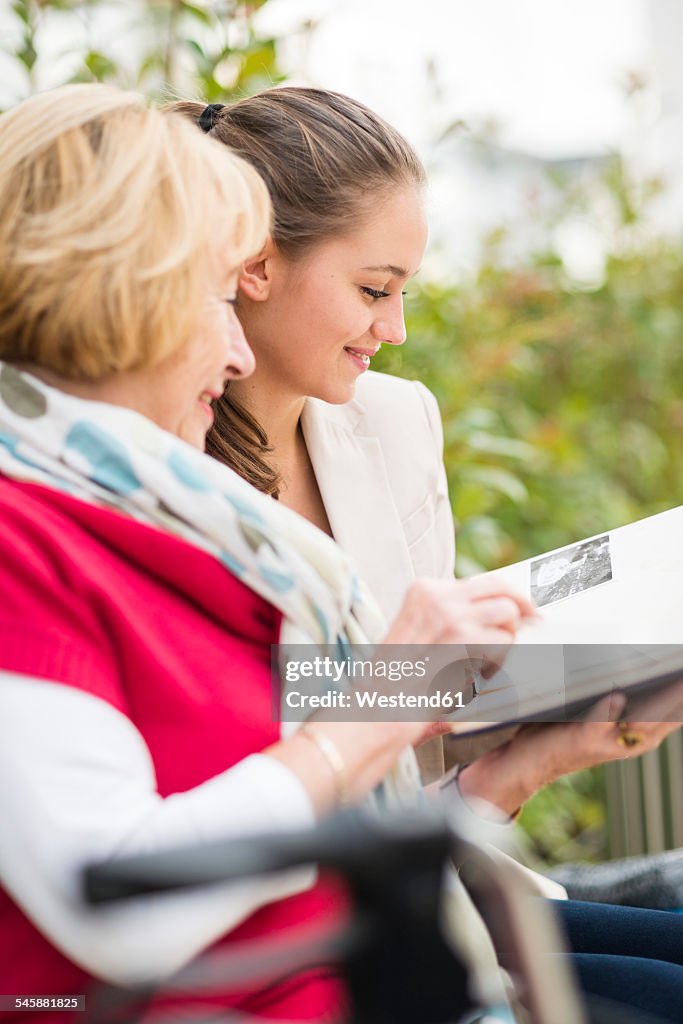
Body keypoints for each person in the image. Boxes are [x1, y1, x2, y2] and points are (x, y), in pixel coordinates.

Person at [0, 83, 542, 1024]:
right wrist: (377, 708)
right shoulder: (30, 543)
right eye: (215, 296)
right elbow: (126, 904)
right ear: (118, 299)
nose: (238, 351)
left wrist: (497, 769)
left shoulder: (137, 513)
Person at [169, 87, 683, 1022]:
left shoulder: (395, 423)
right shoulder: (165, 471)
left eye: (406, 289)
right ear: (252, 263)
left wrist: (532, 759)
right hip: (305, 924)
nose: (395, 328)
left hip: (427, 881)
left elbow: (401, 768)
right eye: (373, 289)